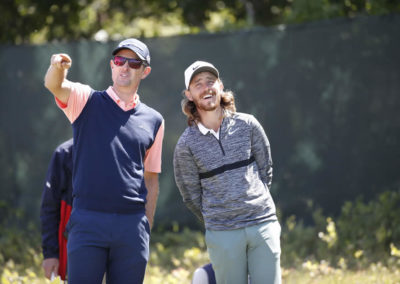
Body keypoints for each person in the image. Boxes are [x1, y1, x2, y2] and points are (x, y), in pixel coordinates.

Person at [43, 38, 164, 283]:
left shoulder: (155, 120)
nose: (125, 67)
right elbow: (54, 85)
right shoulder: (86, 100)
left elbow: (151, 178)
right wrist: (58, 67)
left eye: (134, 63)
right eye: (120, 61)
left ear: (145, 71)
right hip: (88, 220)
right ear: (111, 65)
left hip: (132, 226)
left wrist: (145, 227)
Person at [173, 61, 281, 284]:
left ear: (220, 86)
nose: (206, 88)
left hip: (262, 223)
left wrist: (252, 202)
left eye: (210, 81)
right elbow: (191, 195)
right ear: (189, 95)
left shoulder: (248, 124)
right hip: (222, 232)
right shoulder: (186, 144)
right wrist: (219, 216)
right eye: (198, 84)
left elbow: (265, 169)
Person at [40, 138, 73, 281]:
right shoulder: (65, 153)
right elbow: (50, 207)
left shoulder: (125, 149)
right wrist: (50, 254)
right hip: (74, 252)